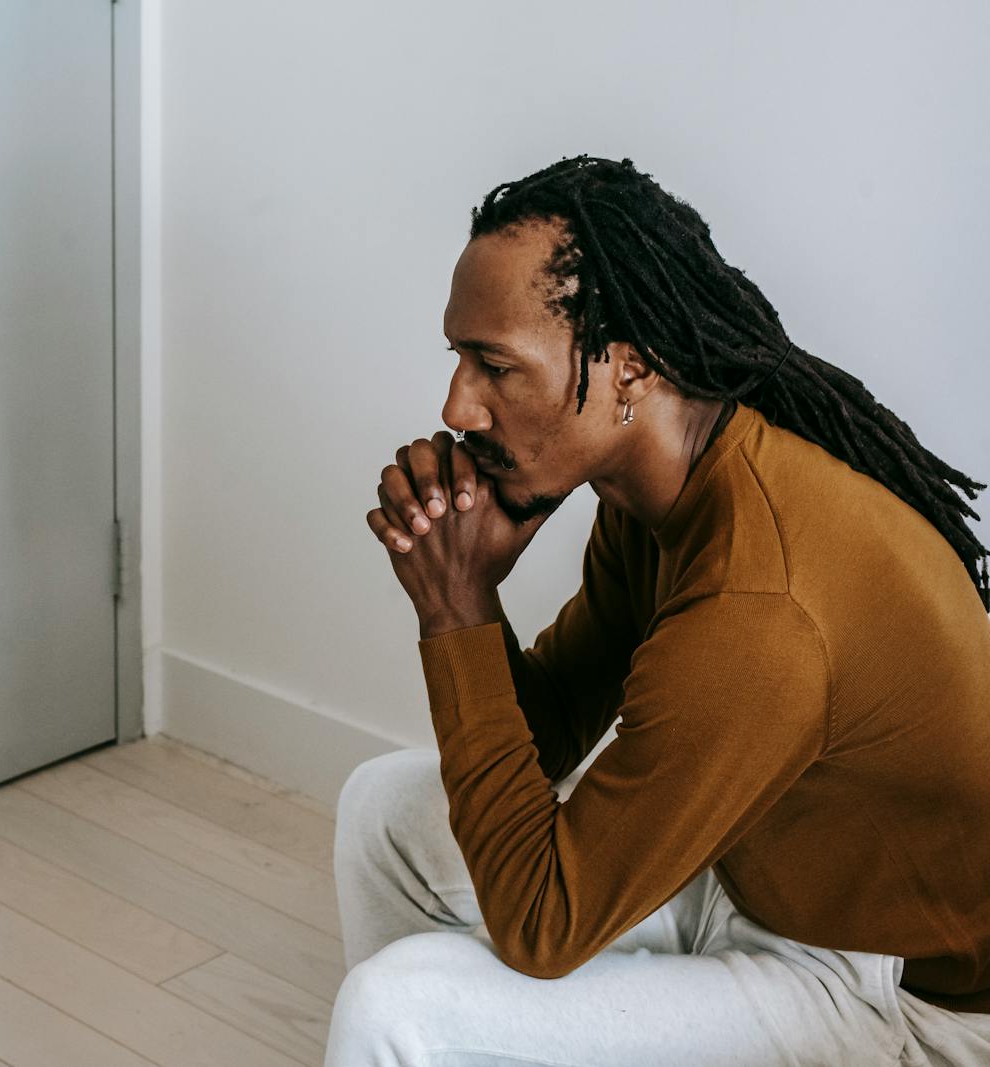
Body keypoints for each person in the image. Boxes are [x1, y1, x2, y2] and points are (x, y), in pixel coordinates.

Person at [333, 155, 990, 1066]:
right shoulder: (666, 489)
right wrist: (474, 591)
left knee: (392, 1011)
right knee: (383, 811)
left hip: (888, 988)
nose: (458, 405)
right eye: (459, 358)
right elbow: (554, 730)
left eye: (495, 366)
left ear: (629, 367)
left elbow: (543, 923)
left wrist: (456, 612)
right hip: (762, 875)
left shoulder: (760, 604)